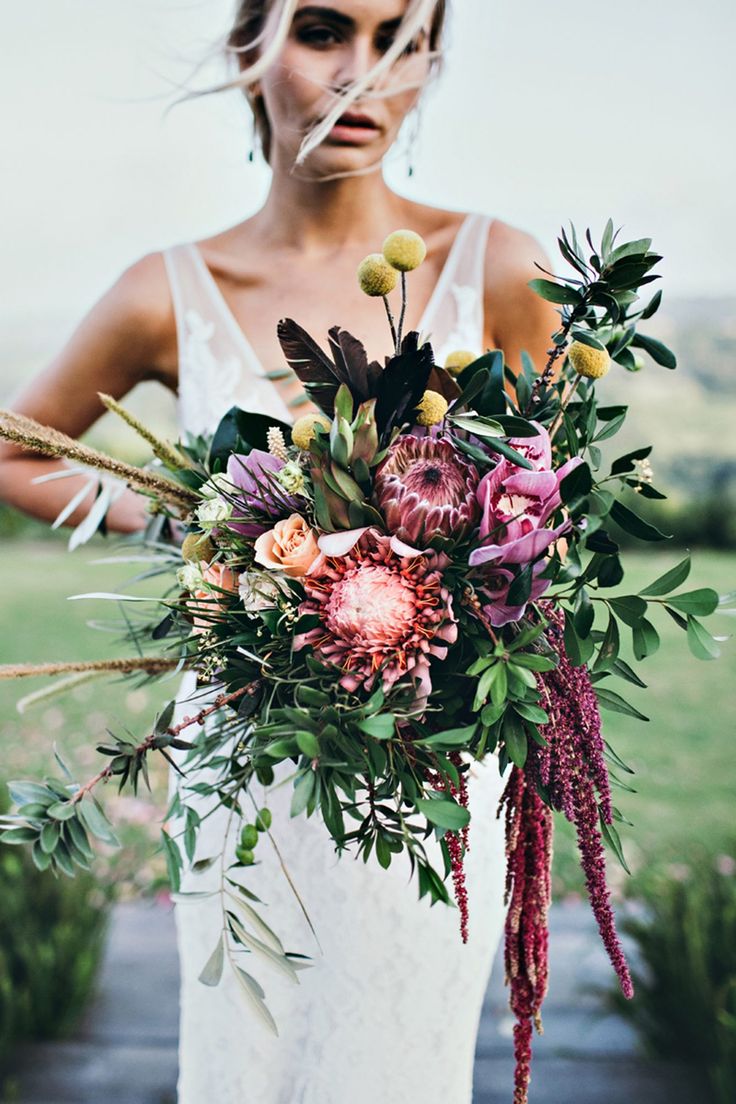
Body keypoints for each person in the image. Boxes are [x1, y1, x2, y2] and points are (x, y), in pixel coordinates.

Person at [0, 1, 560, 1100]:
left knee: (397, 1059)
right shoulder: (170, 287)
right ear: (247, 49)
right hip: (240, 768)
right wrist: (175, 520)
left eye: (398, 38)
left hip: (427, 771)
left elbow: (550, 515)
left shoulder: (496, 268)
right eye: (320, 29)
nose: (363, 73)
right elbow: (17, 450)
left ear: (429, 62)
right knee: (243, 1061)